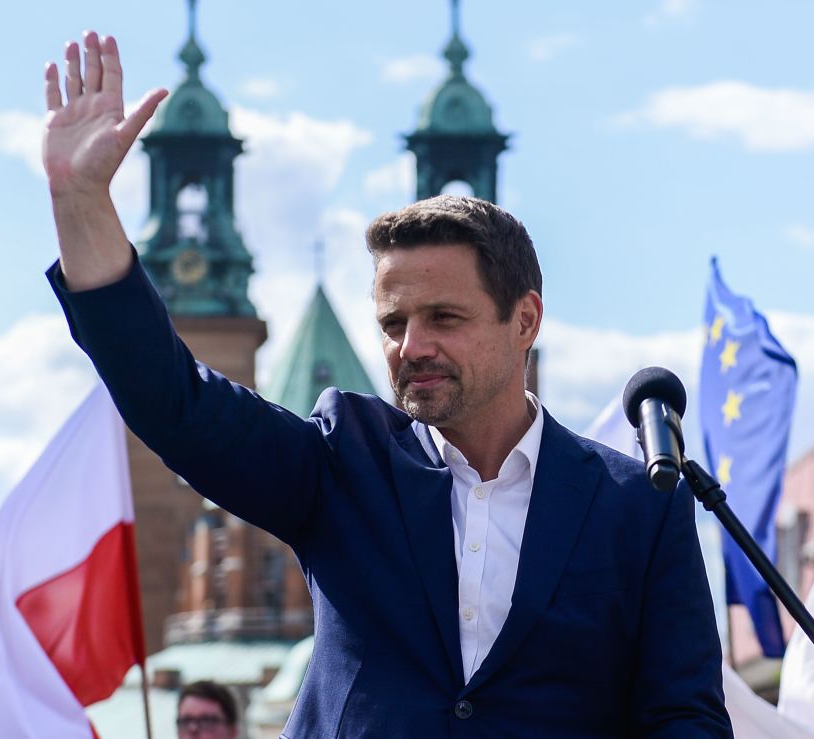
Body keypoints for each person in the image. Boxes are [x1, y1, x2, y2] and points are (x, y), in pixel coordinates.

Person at [43, 31, 732, 737]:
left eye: (443, 317)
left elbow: (684, 716)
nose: (412, 346)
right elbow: (175, 403)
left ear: (525, 321)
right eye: (393, 321)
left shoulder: (638, 505)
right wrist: (81, 203)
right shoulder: (344, 463)